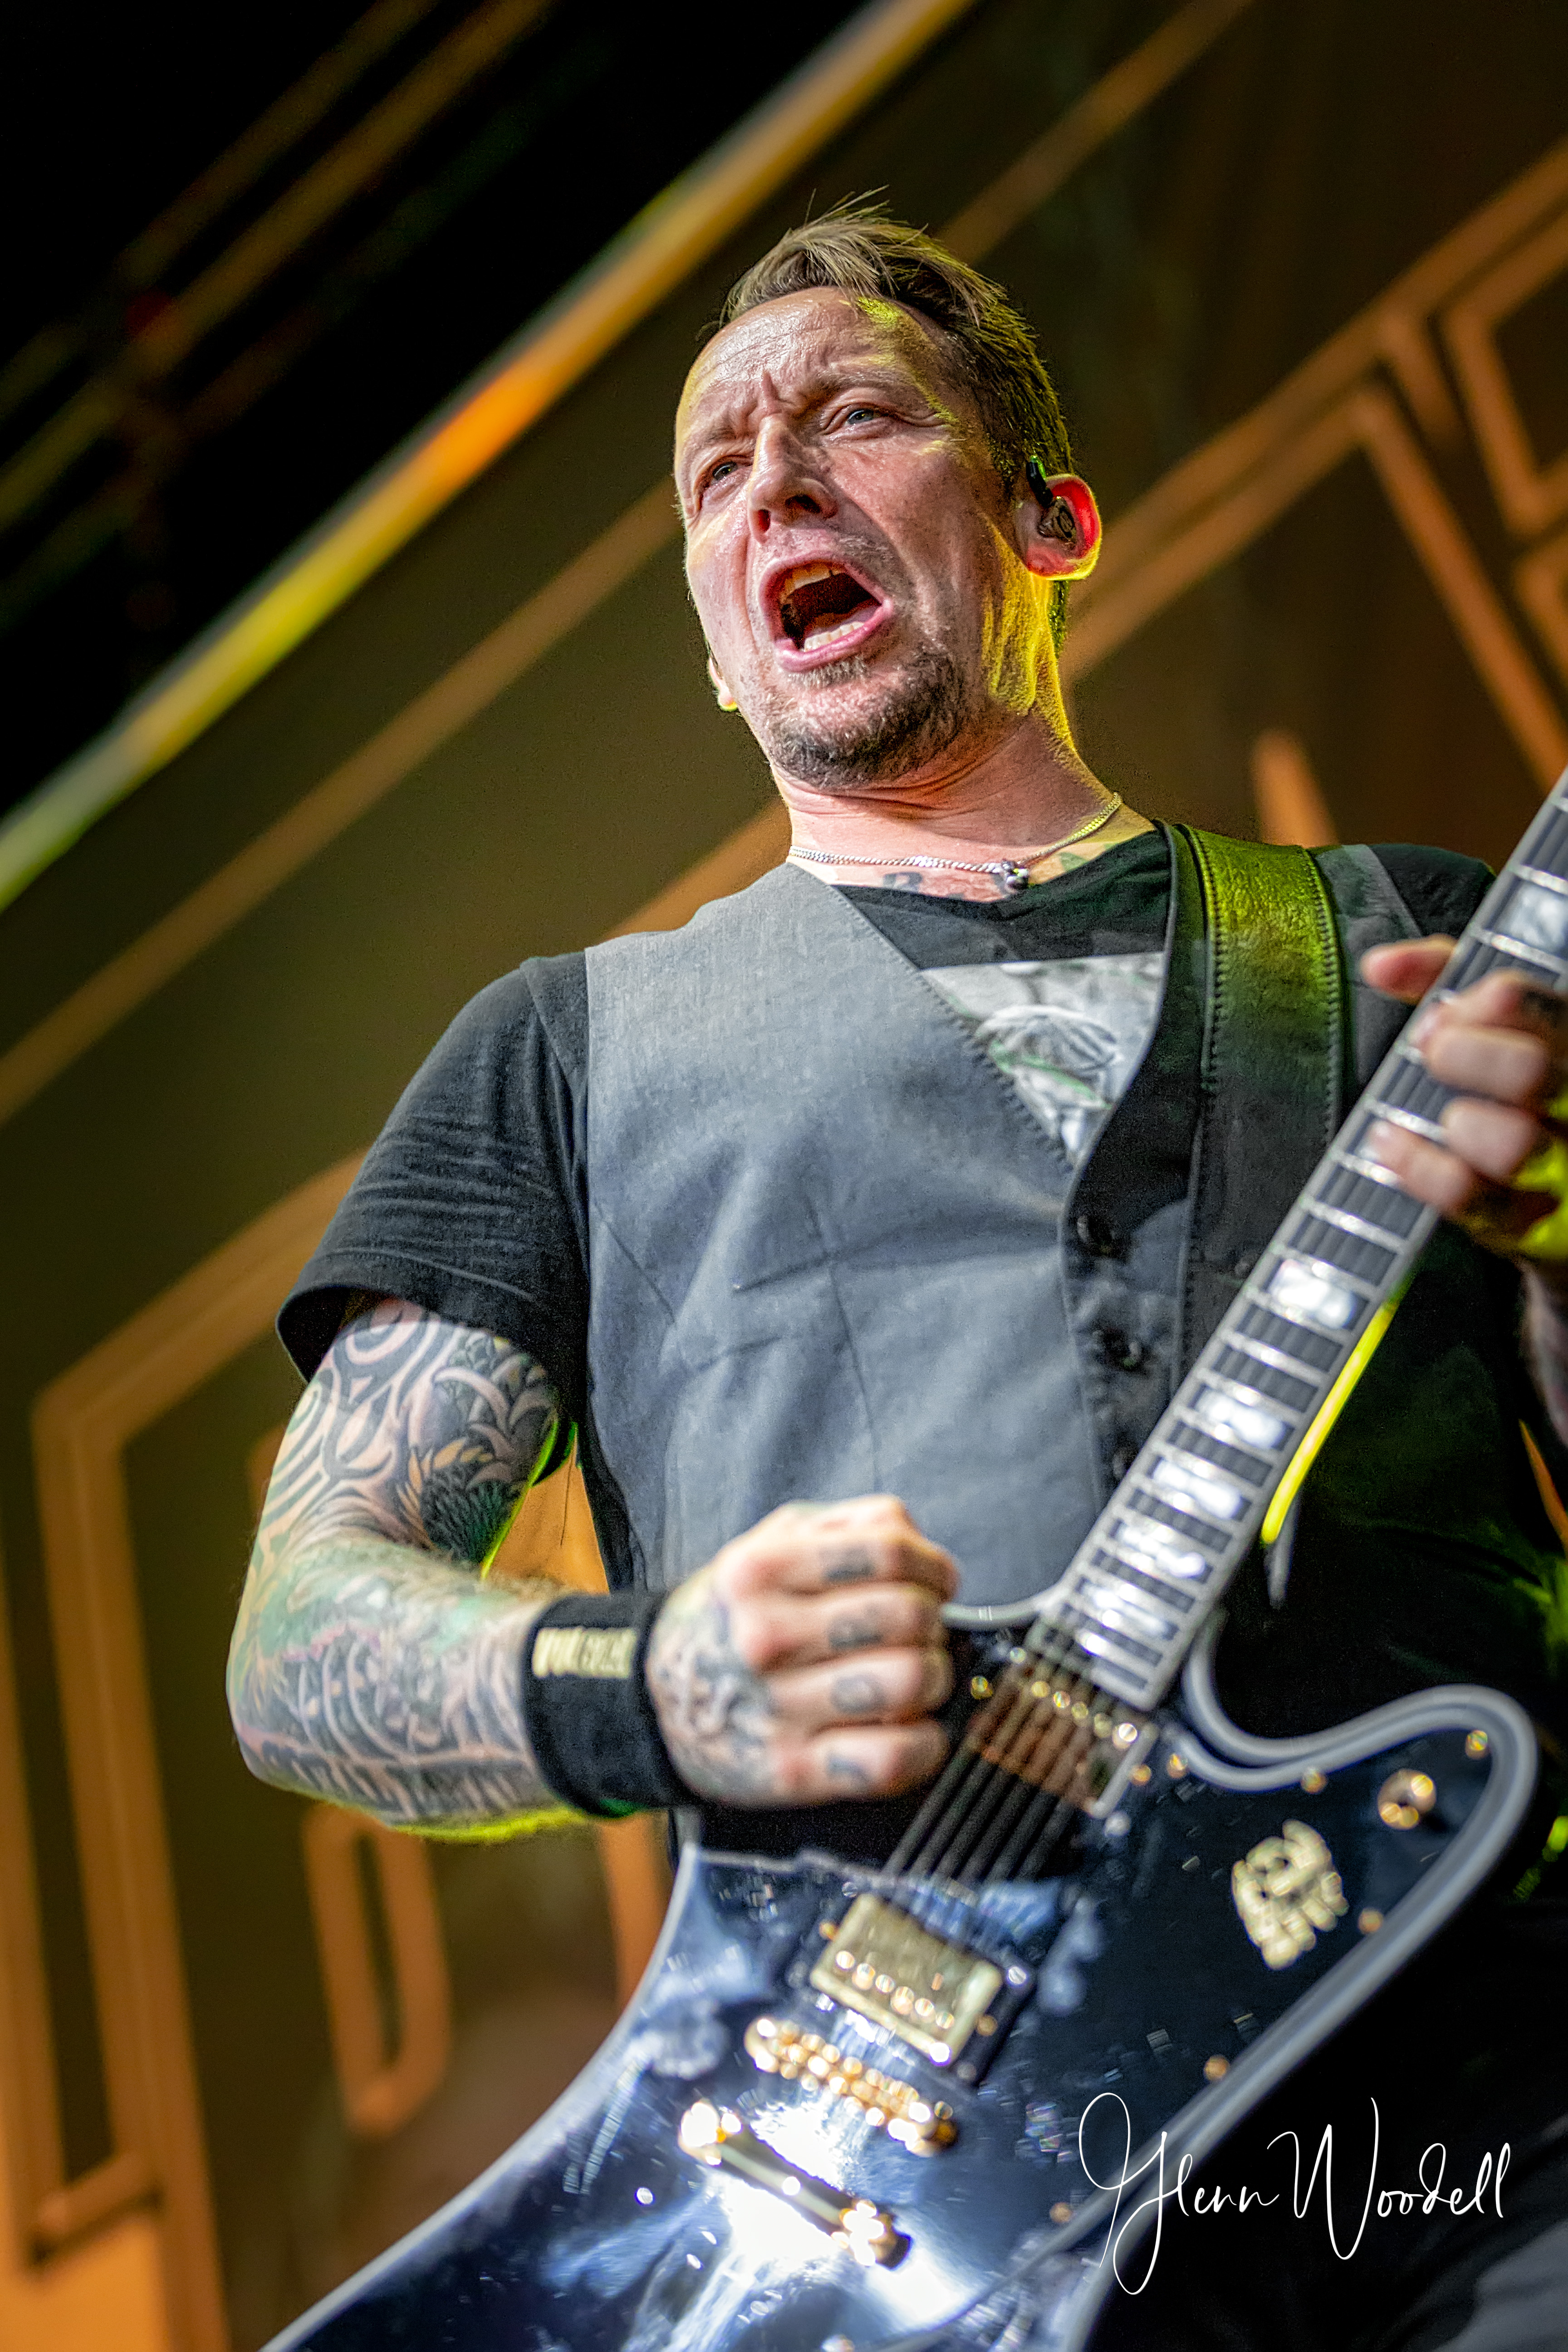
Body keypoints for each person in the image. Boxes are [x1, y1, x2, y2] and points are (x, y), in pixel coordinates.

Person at [229, 207, 1568, 2347]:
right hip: (916, 2203)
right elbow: (305, 1639)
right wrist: (657, 1680)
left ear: (1050, 524)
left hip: (1492, 2129)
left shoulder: (1410, 939)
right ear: (716, 645)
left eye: (855, 417)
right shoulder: (566, 1054)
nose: (774, 479)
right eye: (715, 469)